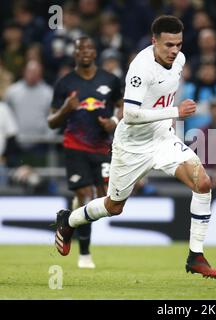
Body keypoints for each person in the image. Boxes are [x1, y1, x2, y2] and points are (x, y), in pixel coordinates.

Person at [53, 15, 216, 279]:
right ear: (154, 41)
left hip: (163, 138)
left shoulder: (181, 60)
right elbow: (130, 115)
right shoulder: (140, 68)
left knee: (203, 184)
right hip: (131, 146)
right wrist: (175, 111)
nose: (174, 50)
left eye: (178, 44)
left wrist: (169, 117)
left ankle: (195, 256)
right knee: (114, 206)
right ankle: (69, 220)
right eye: (168, 45)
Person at [48, 36, 123, 269]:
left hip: (102, 147)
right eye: (81, 48)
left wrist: (113, 120)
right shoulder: (65, 83)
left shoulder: (110, 80)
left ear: (95, 52)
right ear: (75, 53)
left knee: (107, 202)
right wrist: (65, 109)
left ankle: (71, 218)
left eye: (90, 48)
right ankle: (84, 254)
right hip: (75, 146)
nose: (85, 52)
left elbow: (123, 107)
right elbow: (51, 122)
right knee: (86, 197)